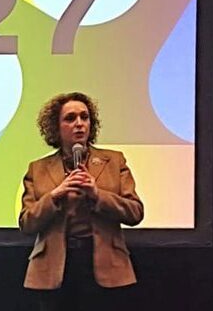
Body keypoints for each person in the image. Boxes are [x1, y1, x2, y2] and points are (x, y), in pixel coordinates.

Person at [18, 92, 144, 311]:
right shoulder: (38, 169)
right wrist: (55, 195)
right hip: (54, 269)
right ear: (55, 127)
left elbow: (135, 213)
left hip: (106, 266)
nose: (79, 124)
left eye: (84, 117)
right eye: (70, 118)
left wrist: (97, 194)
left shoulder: (114, 161)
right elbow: (26, 223)